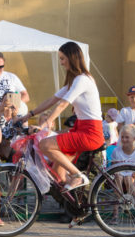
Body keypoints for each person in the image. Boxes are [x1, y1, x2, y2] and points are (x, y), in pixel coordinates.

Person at [19, 42, 104, 191]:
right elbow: (51, 100)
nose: (61, 62)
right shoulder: (74, 81)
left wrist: (44, 125)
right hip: (81, 130)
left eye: (63, 58)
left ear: (72, 58)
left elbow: (62, 105)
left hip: (90, 133)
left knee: (45, 145)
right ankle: (78, 201)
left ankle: (78, 176)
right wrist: (28, 115)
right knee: (58, 173)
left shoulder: (82, 79)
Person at [110, 124, 135, 223]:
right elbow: (113, 169)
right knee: (118, 176)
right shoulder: (116, 151)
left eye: (127, 137)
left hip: (132, 179)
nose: (124, 139)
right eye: (122, 137)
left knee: (128, 179)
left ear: (134, 139)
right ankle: (116, 213)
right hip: (119, 179)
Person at [0, 97, 19, 161]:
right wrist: (1, 109)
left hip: (12, 148)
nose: (9, 104)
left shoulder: (20, 117)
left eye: (12, 101)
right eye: (6, 101)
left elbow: (21, 130)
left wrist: (14, 116)